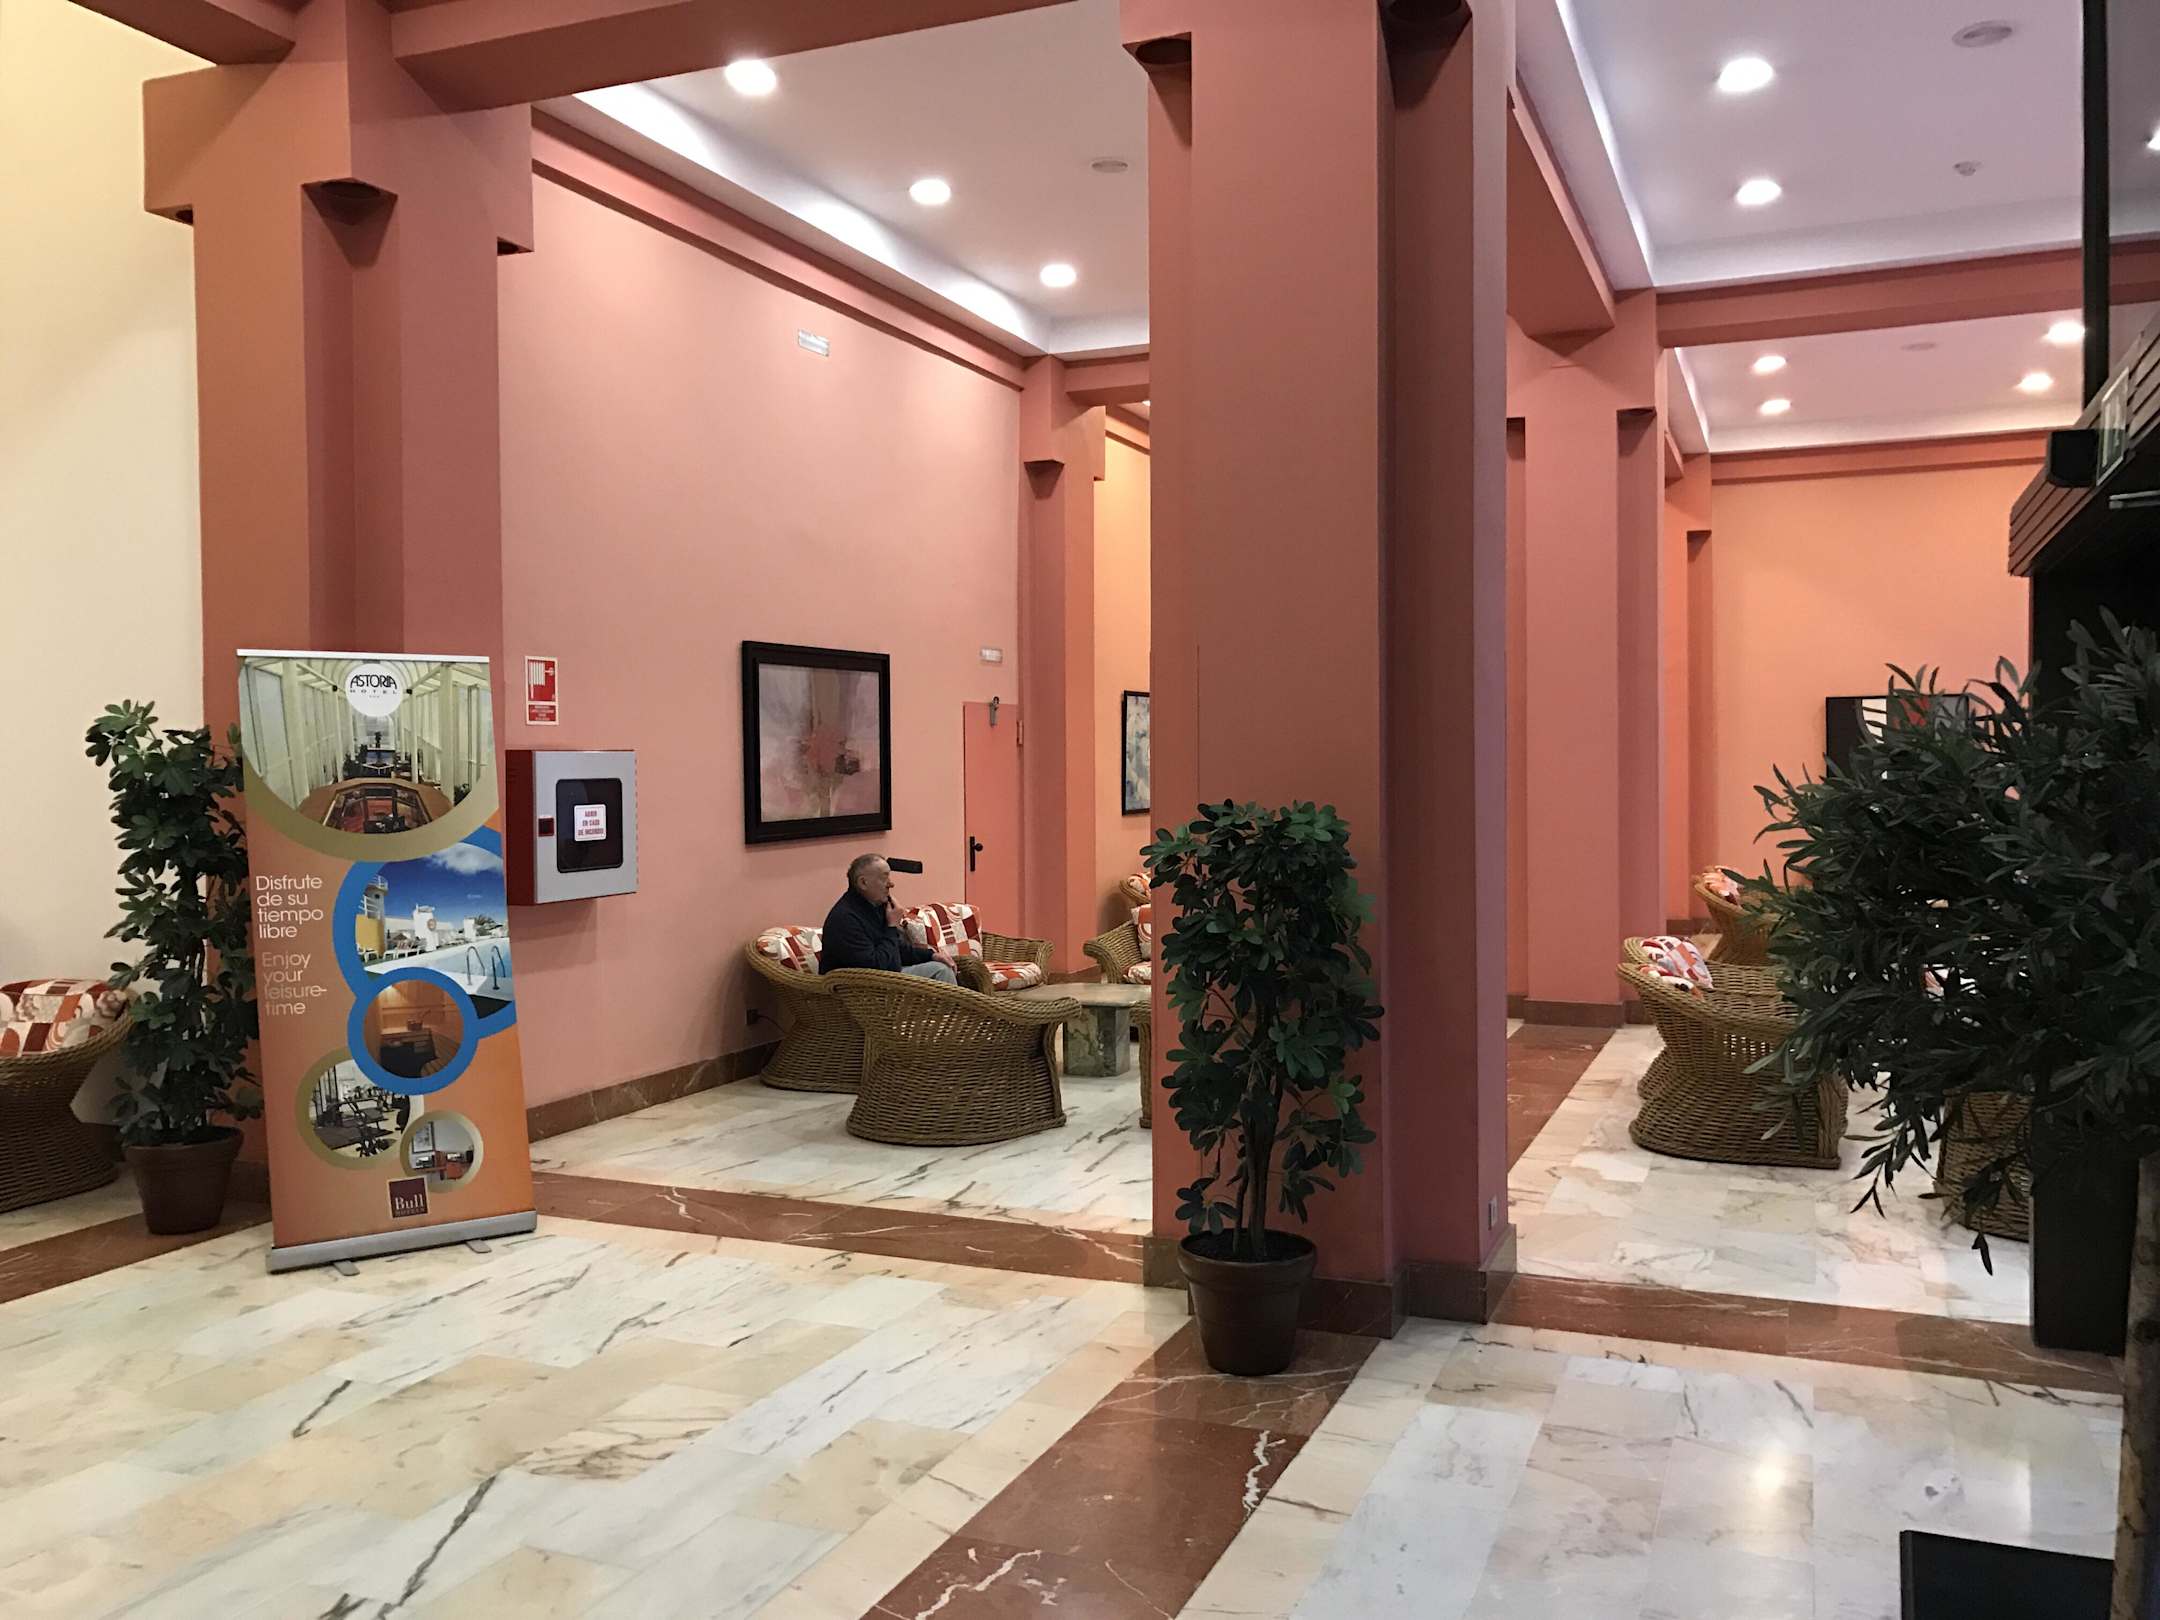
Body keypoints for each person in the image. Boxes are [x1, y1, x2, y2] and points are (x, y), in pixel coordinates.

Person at [820, 854, 958, 984]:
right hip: (858, 988)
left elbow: (896, 950)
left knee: (942, 964)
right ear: (863, 883)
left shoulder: (876, 906)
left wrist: (931, 955)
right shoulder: (845, 919)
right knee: (940, 971)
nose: (891, 884)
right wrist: (892, 926)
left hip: (884, 977)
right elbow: (877, 967)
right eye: (884, 878)